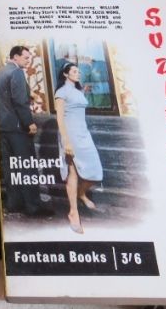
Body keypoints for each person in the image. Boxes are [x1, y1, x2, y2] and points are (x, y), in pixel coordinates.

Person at [0, 45, 49, 218]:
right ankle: (33, 207)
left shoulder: (3, 71)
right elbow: (19, 101)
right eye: (26, 57)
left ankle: (14, 204)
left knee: (11, 168)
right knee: (27, 167)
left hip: (5, 127)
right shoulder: (17, 72)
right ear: (15, 57)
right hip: (19, 128)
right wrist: (29, 123)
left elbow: (9, 95)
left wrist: (31, 94)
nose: (28, 60)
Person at [55, 62, 103, 234]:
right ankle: (73, 213)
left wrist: (84, 90)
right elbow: (60, 119)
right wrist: (66, 141)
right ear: (65, 74)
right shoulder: (61, 92)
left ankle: (81, 194)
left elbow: (77, 106)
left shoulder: (78, 90)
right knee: (73, 173)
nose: (78, 73)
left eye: (78, 71)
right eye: (74, 71)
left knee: (95, 172)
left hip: (84, 134)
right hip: (70, 136)